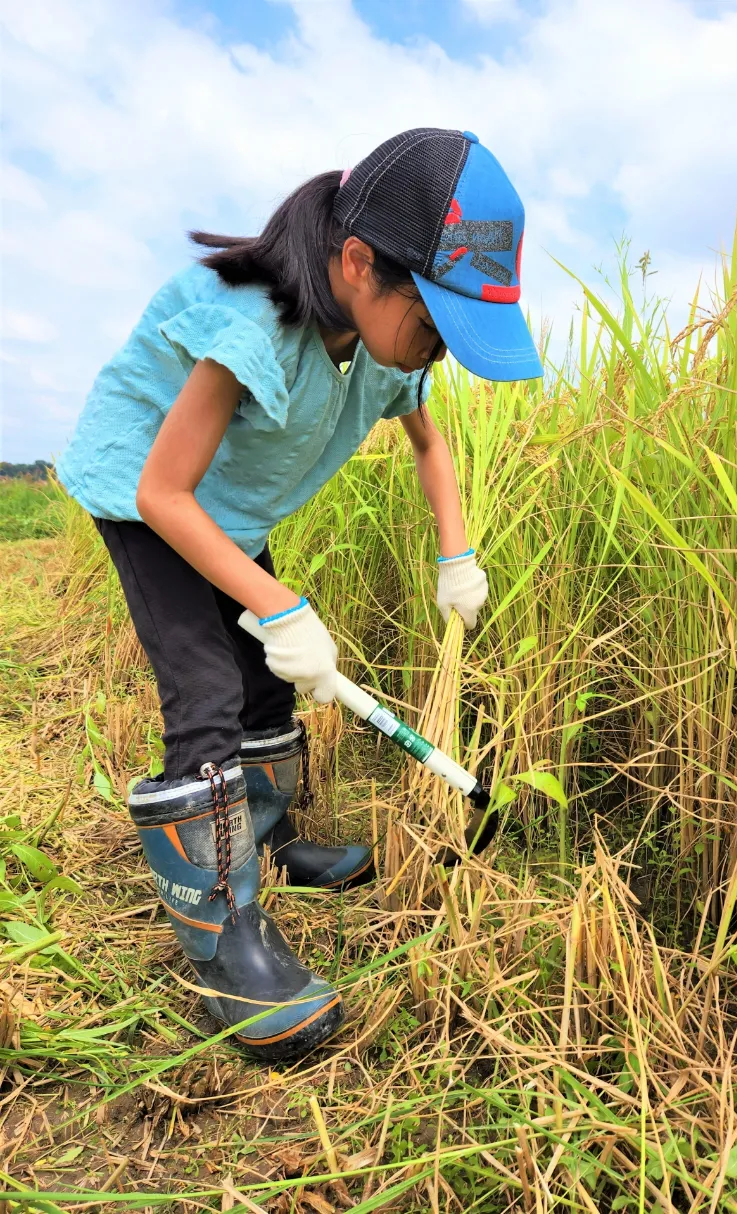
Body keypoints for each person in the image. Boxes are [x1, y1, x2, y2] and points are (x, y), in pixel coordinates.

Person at [56, 127, 543, 1063]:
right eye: (435, 319)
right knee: (207, 694)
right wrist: (278, 606)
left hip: (226, 506)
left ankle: (266, 840)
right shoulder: (253, 328)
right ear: (359, 263)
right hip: (148, 491)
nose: (436, 349)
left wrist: (457, 552)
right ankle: (223, 930)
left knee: (268, 687)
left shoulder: (390, 348)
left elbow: (430, 446)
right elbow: (164, 494)